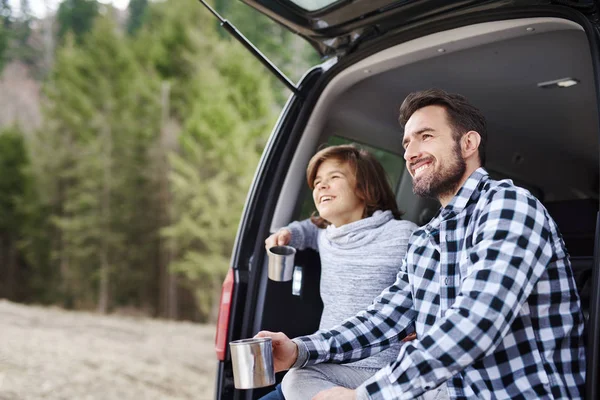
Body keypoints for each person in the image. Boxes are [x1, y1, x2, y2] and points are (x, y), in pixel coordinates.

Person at [257, 89, 586, 400]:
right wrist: (300, 350)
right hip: (442, 390)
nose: (411, 153)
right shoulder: (428, 238)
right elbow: (383, 319)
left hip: (503, 392)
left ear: (468, 142)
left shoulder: (509, 206)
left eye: (425, 136)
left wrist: (368, 396)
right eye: (406, 143)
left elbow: (474, 324)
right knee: (300, 377)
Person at [260, 144, 418, 400]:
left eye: (334, 177)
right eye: (318, 182)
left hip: (382, 372)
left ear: (365, 187)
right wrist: (288, 234)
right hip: (326, 367)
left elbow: (437, 289)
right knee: (296, 380)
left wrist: (426, 326)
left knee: (297, 381)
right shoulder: (326, 236)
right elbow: (308, 228)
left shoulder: (403, 235)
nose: (321, 186)